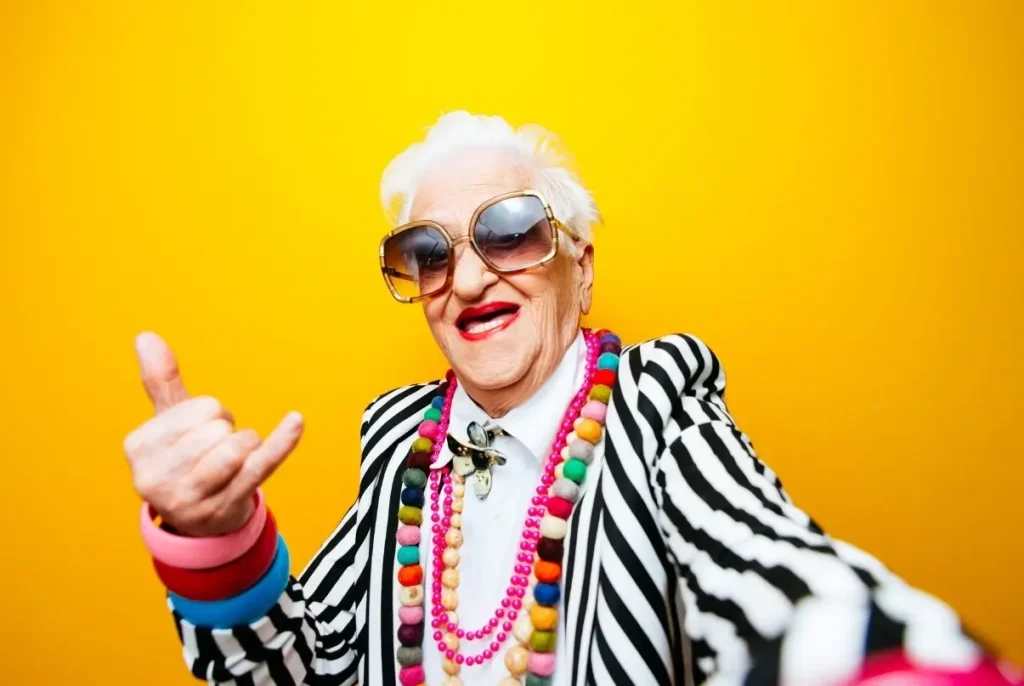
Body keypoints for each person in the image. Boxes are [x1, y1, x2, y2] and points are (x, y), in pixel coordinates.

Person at [123, 112, 1013, 686]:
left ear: (579, 267)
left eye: (508, 231)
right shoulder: (400, 449)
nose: (468, 278)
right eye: (428, 253)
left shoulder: (657, 407)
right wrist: (217, 542)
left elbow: (774, 574)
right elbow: (297, 669)